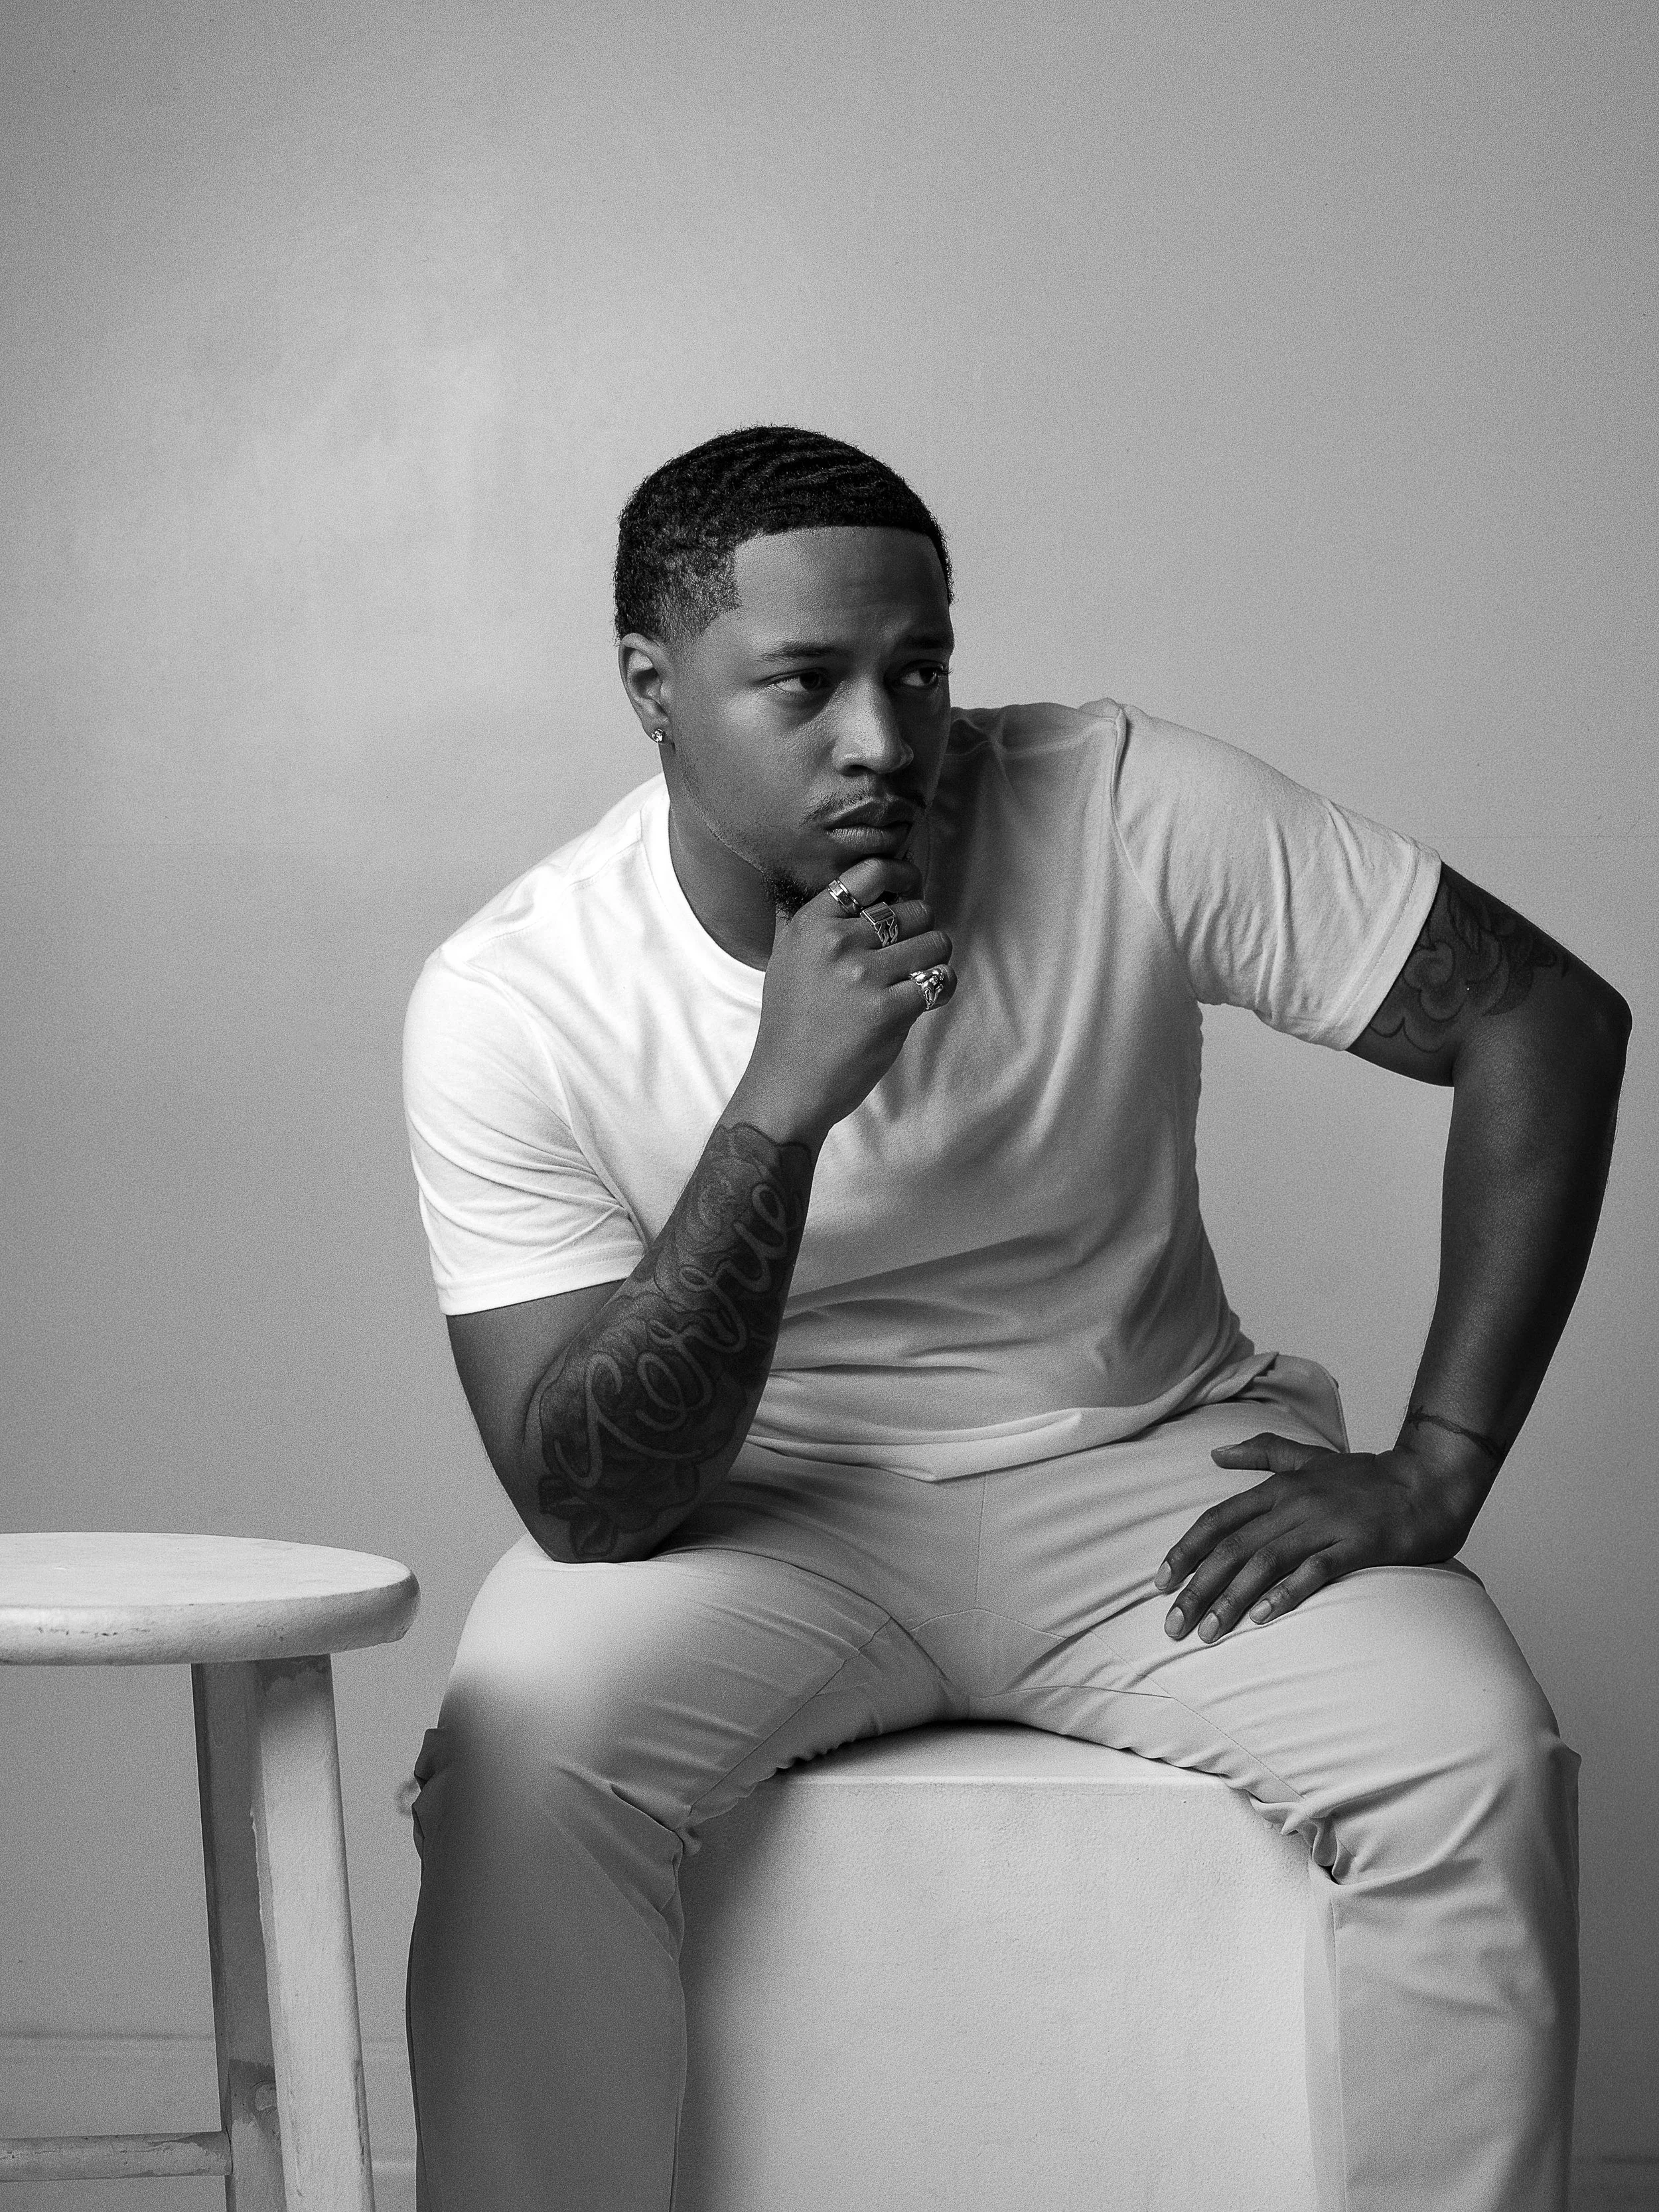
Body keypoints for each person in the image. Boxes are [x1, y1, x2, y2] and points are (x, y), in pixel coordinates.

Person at [400, 425, 1628, 2211]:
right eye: (802, 685)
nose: (885, 739)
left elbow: (1540, 1019)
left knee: (1469, 1758)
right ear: (651, 689)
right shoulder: (515, 992)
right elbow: (589, 1501)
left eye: (919, 671)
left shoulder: (1119, 800)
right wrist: (775, 1110)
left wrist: (1438, 1460)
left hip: (1147, 1478)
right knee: (516, 1759)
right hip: (761, 1516)